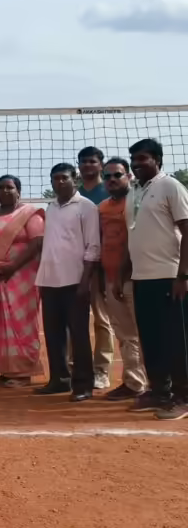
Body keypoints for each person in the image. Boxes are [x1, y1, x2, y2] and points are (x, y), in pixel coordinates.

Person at [125, 138, 188, 420]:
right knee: (150, 339)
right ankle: (159, 391)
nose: (137, 164)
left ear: (157, 160)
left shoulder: (170, 186)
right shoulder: (134, 191)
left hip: (169, 276)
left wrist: (183, 274)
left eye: (143, 158)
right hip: (142, 278)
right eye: (134, 159)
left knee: (176, 340)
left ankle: (183, 397)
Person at [35, 163, 100, 401]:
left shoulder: (86, 207)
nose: (59, 182)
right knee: (53, 335)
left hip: (75, 281)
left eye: (64, 178)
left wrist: (85, 282)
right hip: (49, 280)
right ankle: (59, 380)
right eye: (55, 179)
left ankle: (83, 385)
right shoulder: (50, 207)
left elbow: (93, 246)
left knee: (79, 334)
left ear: (75, 180)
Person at [0, 175, 45, 387]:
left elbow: (37, 242)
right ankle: (6, 370)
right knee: (0, 323)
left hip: (22, 276)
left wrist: (13, 266)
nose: (5, 191)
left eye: (10, 187)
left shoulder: (29, 213)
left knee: (22, 323)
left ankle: (24, 372)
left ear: (18, 190)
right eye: (1, 187)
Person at [98, 158, 147, 401]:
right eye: (107, 176)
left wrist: (120, 277)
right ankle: (134, 383)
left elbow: (132, 241)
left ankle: (158, 385)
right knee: (125, 335)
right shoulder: (103, 207)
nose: (112, 180)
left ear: (128, 176)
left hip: (134, 279)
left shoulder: (137, 202)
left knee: (145, 334)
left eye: (117, 175)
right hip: (111, 279)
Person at [77, 146, 115, 390]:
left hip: (104, 267)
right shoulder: (75, 193)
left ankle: (101, 370)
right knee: (76, 320)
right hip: (76, 267)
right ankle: (76, 369)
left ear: (100, 164)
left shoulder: (109, 191)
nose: (88, 165)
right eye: (84, 162)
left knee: (103, 320)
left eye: (92, 161)